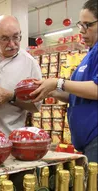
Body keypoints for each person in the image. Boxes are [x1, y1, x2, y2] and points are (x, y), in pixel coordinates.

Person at [30, 0, 98, 162]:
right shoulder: (90, 54)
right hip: (87, 142)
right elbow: (77, 95)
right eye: (81, 25)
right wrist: (51, 90)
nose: (82, 30)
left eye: (88, 25)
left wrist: (58, 82)